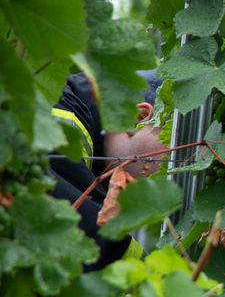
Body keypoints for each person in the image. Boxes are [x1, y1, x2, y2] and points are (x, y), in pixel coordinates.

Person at [49, 71, 167, 271]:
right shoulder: (62, 110)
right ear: (137, 118)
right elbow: (62, 213)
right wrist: (148, 278)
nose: (171, 181)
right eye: (169, 166)